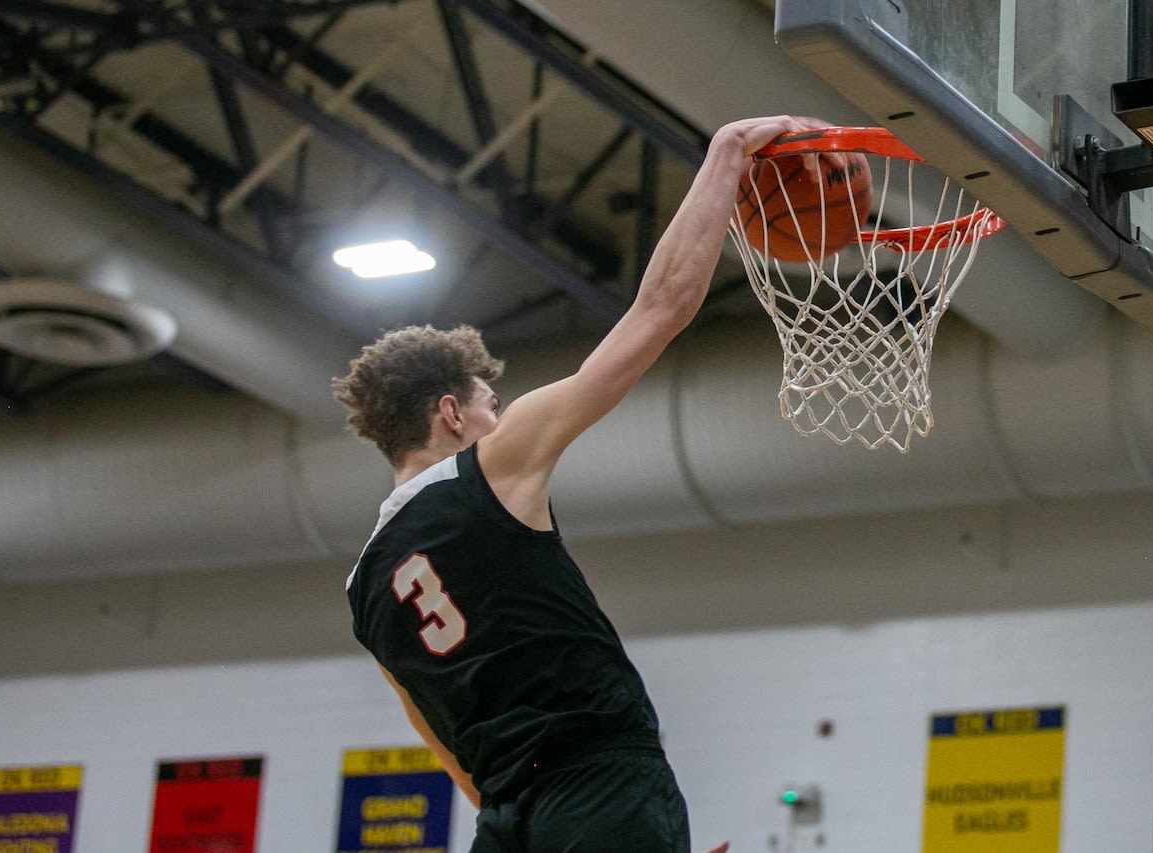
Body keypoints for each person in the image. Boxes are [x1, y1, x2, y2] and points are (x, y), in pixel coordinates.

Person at [334, 115, 825, 853]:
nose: (499, 418)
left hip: (506, 817)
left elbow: (447, 748)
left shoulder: (363, 586)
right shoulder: (488, 469)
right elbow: (661, 308)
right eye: (489, 406)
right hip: (599, 778)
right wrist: (727, 152)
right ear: (450, 413)